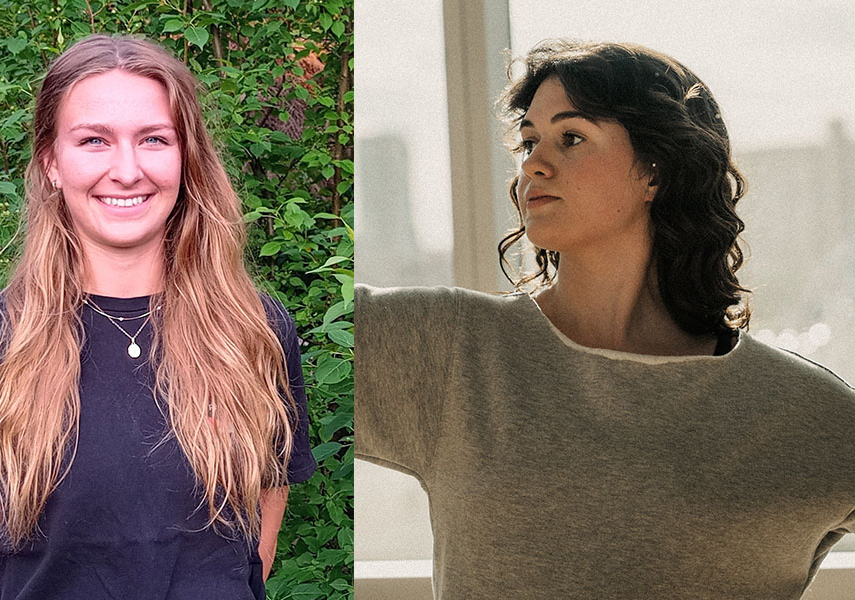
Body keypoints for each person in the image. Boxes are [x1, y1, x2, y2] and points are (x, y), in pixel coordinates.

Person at [355, 39, 855, 599]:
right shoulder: (447, 348)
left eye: (571, 138)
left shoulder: (801, 410)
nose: (534, 165)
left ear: (654, 172)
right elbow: (263, 334)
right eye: (528, 142)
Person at [0, 34, 315, 600]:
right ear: (51, 161)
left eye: (153, 139)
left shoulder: (254, 331)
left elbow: (255, 545)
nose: (126, 170)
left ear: (186, 157)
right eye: (94, 140)